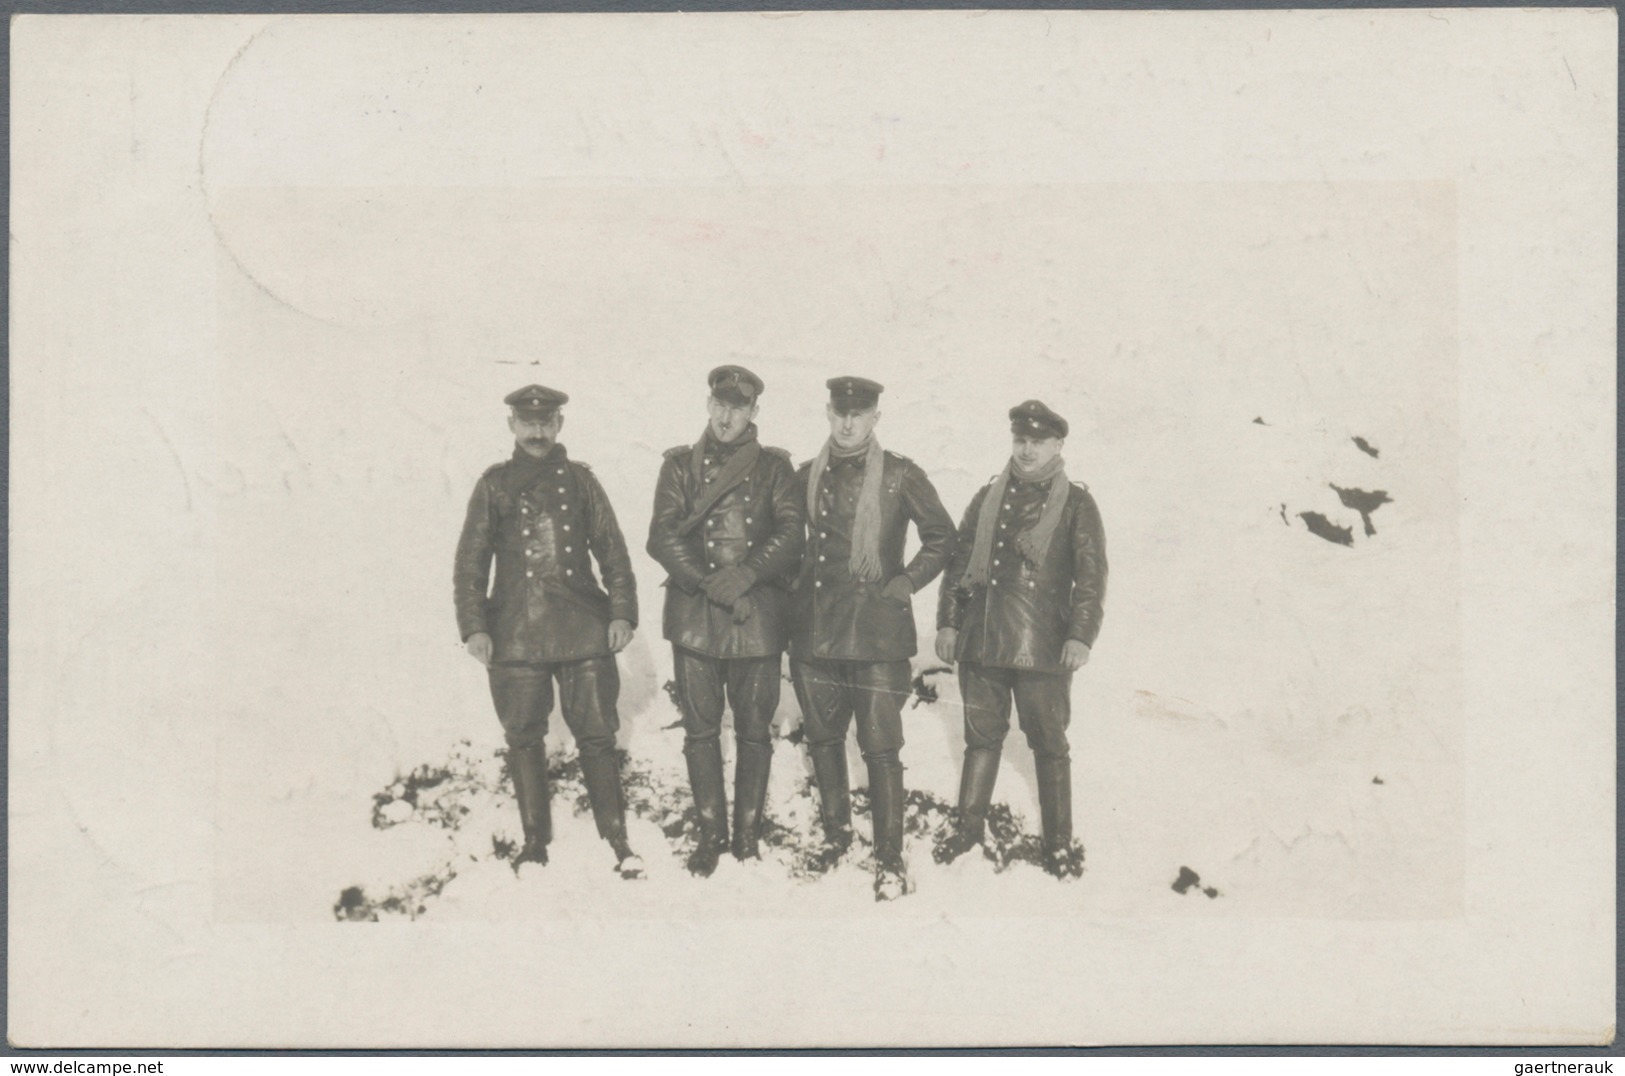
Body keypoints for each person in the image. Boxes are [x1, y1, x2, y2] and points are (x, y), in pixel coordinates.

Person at [453, 384, 645, 878]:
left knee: (598, 735)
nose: (536, 431)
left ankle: (616, 838)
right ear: (512, 426)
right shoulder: (493, 485)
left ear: (560, 424)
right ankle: (535, 842)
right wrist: (474, 626)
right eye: (527, 422)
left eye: (545, 422)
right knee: (524, 738)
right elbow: (470, 562)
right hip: (515, 632)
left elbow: (613, 549)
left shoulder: (581, 482)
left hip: (582, 626)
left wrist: (621, 613)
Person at [790, 376, 957, 901]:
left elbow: (942, 536)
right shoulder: (804, 476)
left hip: (878, 633)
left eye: (858, 414)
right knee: (823, 739)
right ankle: (838, 837)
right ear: (828, 413)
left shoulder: (900, 476)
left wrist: (905, 581)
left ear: (875, 418)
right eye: (840, 413)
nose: (847, 423)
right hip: (815, 634)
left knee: (881, 749)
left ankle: (889, 855)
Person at [933, 400, 1107, 879]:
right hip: (983, 642)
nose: (1027, 450)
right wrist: (948, 622)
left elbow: (1091, 579)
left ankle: (1058, 844)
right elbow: (958, 563)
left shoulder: (1076, 504)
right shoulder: (989, 495)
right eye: (1020, 440)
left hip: (1042, 647)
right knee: (981, 739)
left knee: (1049, 743)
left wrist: (1081, 636)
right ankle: (968, 831)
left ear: (1057, 446)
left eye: (1038, 442)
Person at [646, 366, 805, 876]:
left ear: (753, 412)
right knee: (700, 731)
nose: (725, 415)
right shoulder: (677, 466)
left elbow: (791, 532)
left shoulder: (776, 468)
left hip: (754, 616)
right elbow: (662, 535)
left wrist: (749, 574)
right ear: (708, 403)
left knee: (755, 732)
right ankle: (711, 836)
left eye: (737, 407)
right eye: (719, 404)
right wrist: (709, 581)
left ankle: (747, 838)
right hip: (695, 616)